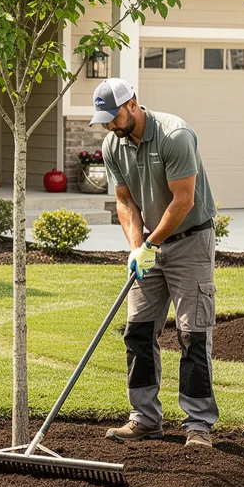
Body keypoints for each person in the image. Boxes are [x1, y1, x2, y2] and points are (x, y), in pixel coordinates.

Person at [90, 78, 218, 448]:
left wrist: (151, 242)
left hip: (190, 241)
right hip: (149, 246)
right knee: (138, 331)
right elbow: (125, 202)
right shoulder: (113, 144)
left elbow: (184, 200)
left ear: (132, 104)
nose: (109, 125)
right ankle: (144, 418)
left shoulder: (174, 135)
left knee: (192, 334)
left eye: (113, 116)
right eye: (104, 120)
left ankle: (198, 425)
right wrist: (136, 249)